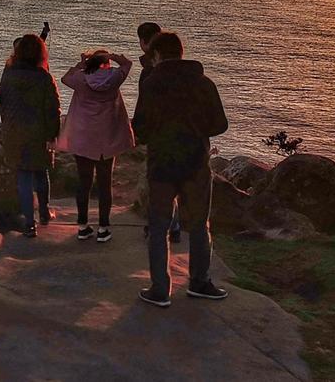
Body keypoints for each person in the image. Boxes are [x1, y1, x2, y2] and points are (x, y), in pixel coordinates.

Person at [131, 31, 229, 307]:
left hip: (162, 163)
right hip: (196, 162)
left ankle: (160, 289)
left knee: (160, 226)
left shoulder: (151, 85)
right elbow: (220, 124)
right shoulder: (203, 83)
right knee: (199, 225)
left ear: (158, 55)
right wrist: (197, 131)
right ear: (181, 53)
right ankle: (200, 282)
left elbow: (140, 128)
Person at [59, 49, 134, 243]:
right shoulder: (115, 78)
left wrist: (83, 63)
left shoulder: (81, 79)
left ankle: (83, 226)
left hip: (83, 139)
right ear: (107, 64)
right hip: (107, 139)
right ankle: (103, 228)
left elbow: (65, 78)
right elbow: (127, 64)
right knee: (104, 184)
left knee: (83, 183)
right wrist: (114, 57)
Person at [0, 34, 60, 238]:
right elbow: (53, 109)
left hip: (13, 130)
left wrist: (5, 124)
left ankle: (28, 222)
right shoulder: (43, 77)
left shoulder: (8, 74)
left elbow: (3, 100)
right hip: (37, 131)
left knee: (23, 176)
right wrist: (53, 134)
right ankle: (44, 212)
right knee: (41, 171)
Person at [136, 22, 182, 244]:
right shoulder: (192, 78)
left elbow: (143, 107)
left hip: (159, 138)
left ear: (145, 44)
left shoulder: (150, 75)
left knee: (158, 185)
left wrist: (139, 131)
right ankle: (175, 225)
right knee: (176, 184)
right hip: (186, 139)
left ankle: (161, 226)